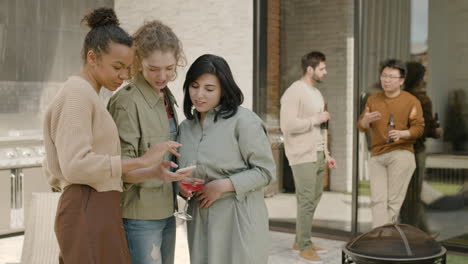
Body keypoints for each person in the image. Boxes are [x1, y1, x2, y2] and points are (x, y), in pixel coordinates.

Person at [42, 8, 188, 264]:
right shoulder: (77, 94)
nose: (123, 75)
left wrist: (153, 171)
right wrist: (143, 161)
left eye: (126, 68)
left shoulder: (89, 95)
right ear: (92, 57)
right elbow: (75, 165)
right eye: (117, 67)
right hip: (86, 204)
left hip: (98, 205)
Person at [176, 54, 276, 264]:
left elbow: (266, 172)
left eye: (209, 89)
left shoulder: (244, 121)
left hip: (238, 220)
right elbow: (181, 171)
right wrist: (181, 187)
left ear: (223, 89)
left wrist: (224, 185)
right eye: (194, 86)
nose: (199, 95)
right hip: (200, 222)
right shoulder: (185, 129)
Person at [107, 20, 185, 264]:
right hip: (139, 217)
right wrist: (154, 171)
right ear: (139, 61)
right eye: (153, 69)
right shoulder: (126, 102)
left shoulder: (165, 96)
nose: (162, 76)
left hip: (167, 209)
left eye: (169, 68)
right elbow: (119, 169)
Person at [280, 51, 337, 263]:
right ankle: (304, 246)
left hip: (318, 153)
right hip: (301, 154)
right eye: (322, 68)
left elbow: (323, 126)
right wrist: (316, 118)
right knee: (305, 201)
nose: (326, 72)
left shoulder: (317, 93)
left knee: (313, 198)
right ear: (310, 69)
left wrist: (327, 154)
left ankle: (300, 239)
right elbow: (288, 125)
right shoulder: (294, 92)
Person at [358, 59, 424, 228]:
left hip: (401, 153)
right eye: (384, 76)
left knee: (392, 203)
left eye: (391, 77)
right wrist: (365, 120)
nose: (386, 80)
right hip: (377, 155)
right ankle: (382, 238)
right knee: (377, 201)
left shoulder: (411, 101)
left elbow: (418, 128)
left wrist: (403, 133)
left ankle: (381, 239)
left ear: (401, 80)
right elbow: (361, 126)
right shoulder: (373, 100)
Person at [400, 61, 442, 232]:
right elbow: (430, 131)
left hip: (399, 152)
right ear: (419, 77)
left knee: (404, 196)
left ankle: (420, 231)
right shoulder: (422, 99)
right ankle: (414, 234)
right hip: (416, 152)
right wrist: (438, 131)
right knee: (414, 197)